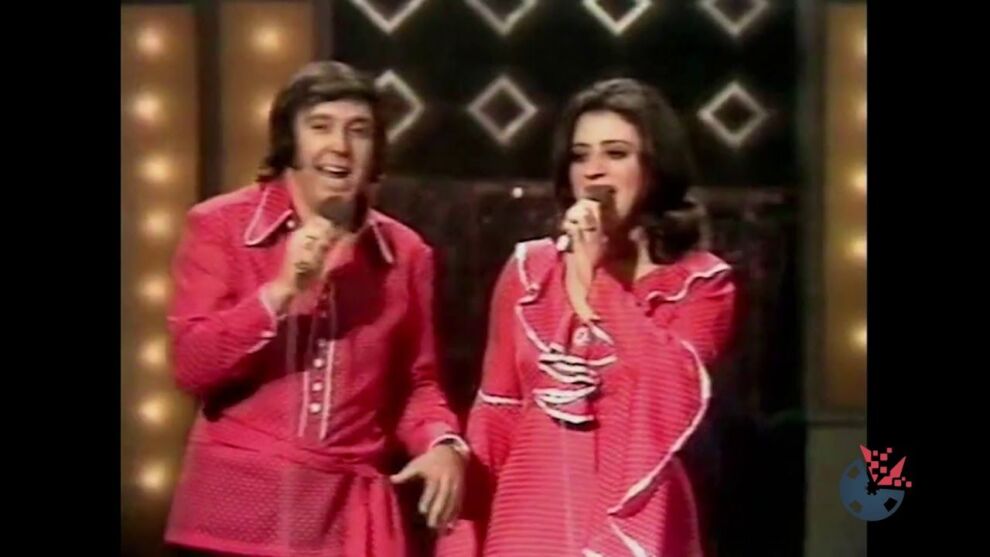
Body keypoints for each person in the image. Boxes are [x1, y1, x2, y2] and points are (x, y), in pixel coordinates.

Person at [164, 61, 468, 557]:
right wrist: (281, 291)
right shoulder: (221, 226)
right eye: (320, 126)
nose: (340, 147)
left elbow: (419, 384)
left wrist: (441, 443)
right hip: (234, 513)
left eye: (359, 131)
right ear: (291, 142)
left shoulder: (407, 254)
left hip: (348, 520)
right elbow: (193, 367)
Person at [437, 78, 736, 556]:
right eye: (580, 156)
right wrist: (459, 544)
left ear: (655, 169)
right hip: (528, 520)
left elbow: (666, 394)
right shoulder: (528, 271)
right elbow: (495, 415)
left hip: (637, 516)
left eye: (616, 153)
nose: (594, 171)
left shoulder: (702, 283)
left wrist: (592, 282)